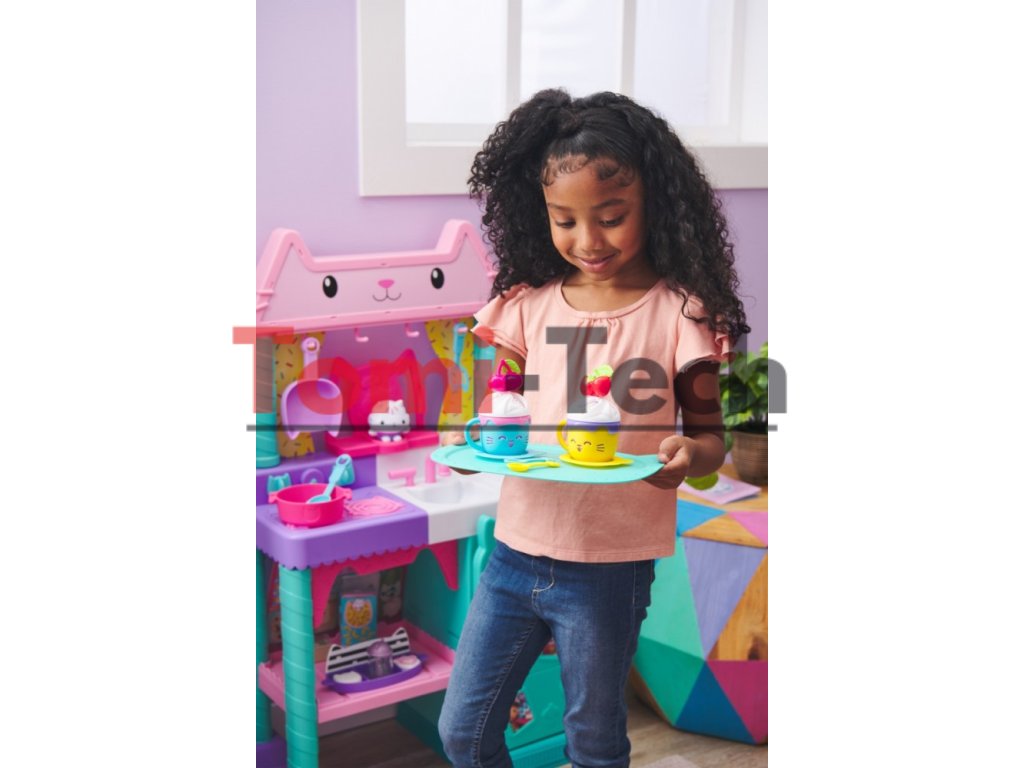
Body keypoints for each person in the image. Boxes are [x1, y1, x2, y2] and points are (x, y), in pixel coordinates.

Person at [437, 89, 751, 768]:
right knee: (464, 732)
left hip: (610, 568)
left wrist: (687, 453)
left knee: (595, 743)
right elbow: (501, 410)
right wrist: (473, 443)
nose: (588, 240)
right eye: (565, 220)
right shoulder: (525, 307)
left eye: (610, 217)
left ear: (654, 204)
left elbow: (710, 441)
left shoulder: (680, 314)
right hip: (515, 553)